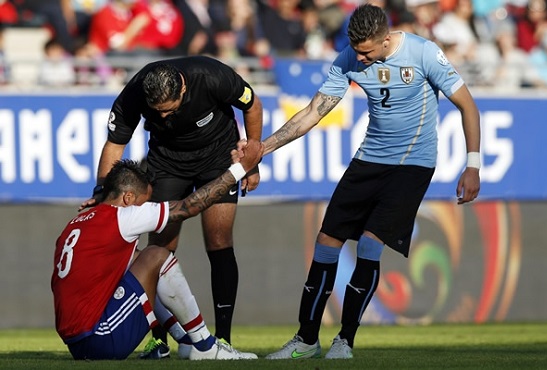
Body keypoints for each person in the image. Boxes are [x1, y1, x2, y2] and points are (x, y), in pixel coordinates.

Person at [261, 3, 481, 360]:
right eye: (356, 51)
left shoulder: (423, 53)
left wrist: (472, 165)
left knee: (368, 244)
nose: (359, 59)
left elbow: (468, 106)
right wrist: (263, 148)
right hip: (367, 161)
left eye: (366, 52)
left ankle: (344, 341)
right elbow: (312, 114)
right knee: (325, 243)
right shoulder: (349, 57)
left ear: (384, 40)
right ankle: (306, 339)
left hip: (412, 166)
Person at [79, 55, 263, 358]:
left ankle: (223, 341)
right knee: (158, 250)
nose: (164, 118)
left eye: (170, 110)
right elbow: (114, 145)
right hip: (166, 164)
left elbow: (252, 105)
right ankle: (160, 341)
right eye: (158, 113)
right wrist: (103, 193)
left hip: (219, 158)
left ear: (183, 89)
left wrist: (252, 157)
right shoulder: (135, 92)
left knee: (219, 241)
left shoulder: (212, 75)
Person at [53, 140, 262, 360]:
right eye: (144, 202)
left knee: (141, 262)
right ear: (128, 197)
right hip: (102, 337)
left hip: (79, 343)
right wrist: (240, 169)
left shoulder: (77, 223)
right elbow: (189, 206)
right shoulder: (123, 216)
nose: (147, 207)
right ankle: (206, 346)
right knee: (157, 255)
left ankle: (187, 341)